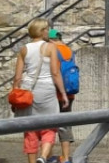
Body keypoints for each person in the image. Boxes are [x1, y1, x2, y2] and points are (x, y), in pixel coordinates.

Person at [13, 19, 70, 163]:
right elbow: (55, 73)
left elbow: (17, 77)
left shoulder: (24, 49)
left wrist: (15, 97)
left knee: (30, 128)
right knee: (50, 126)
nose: (48, 32)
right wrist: (63, 94)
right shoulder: (50, 47)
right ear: (42, 31)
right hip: (47, 90)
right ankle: (43, 156)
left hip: (28, 90)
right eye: (46, 29)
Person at [47, 29, 75, 163]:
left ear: (50, 39)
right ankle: (65, 157)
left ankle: (47, 156)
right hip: (70, 93)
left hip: (55, 93)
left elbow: (54, 72)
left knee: (48, 126)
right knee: (65, 126)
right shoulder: (69, 50)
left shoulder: (52, 50)